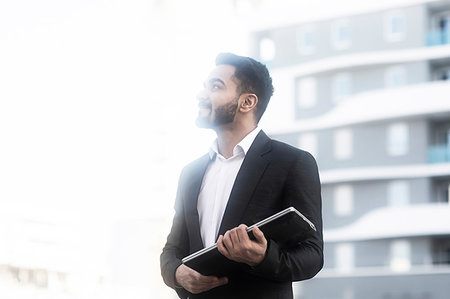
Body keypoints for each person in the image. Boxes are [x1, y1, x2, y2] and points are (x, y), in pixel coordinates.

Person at [160, 53, 323, 299]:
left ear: (247, 102)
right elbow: (172, 251)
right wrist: (177, 274)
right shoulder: (190, 173)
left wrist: (262, 257)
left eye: (215, 86)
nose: (201, 95)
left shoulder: (292, 162)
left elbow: (312, 256)